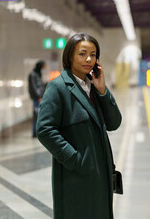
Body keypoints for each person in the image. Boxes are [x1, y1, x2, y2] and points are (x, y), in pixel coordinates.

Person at [36, 33, 122, 219]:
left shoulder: (93, 87)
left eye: (93, 54)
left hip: (100, 175)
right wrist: (75, 160)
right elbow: (44, 130)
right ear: (70, 57)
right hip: (75, 177)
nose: (89, 59)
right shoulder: (58, 88)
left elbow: (114, 123)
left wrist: (102, 91)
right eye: (82, 54)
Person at [28, 60, 46, 138]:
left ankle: (37, 132)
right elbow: (34, 87)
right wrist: (38, 96)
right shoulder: (33, 75)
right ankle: (35, 132)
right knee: (37, 115)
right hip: (37, 98)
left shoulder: (38, 74)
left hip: (39, 97)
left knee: (38, 114)